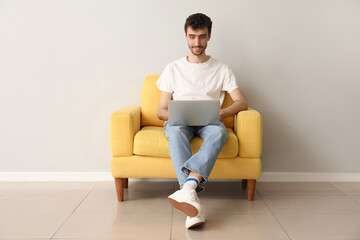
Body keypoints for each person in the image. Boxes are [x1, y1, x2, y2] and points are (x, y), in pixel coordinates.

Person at [156, 13, 248, 229]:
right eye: (192, 37)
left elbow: (241, 103)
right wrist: (182, 113)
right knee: (176, 133)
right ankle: (190, 195)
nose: (197, 43)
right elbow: (160, 111)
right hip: (180, 122)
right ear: (185, 37)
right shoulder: (173, 68)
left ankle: (187, 191)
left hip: (210, 122)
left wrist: (220, 113)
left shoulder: (222, 68)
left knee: (220, 133)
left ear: (209, 36)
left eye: (202, 37)